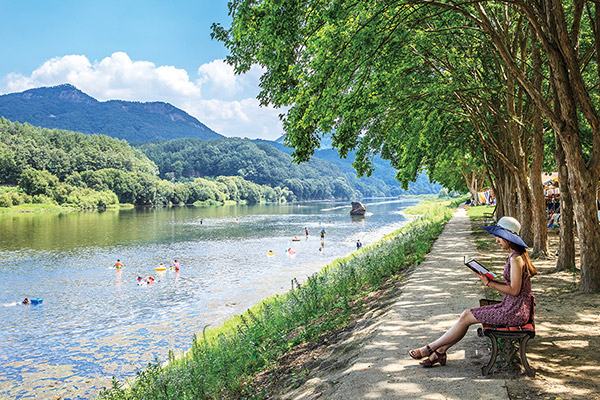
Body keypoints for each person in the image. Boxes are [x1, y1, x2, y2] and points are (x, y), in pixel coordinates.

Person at [409, 216, 536, 367]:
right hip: (511, 306)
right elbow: (514, 286)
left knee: (466, 316)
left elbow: (514, 290)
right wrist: (489, 280)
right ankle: (439, 352)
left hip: (514, 312)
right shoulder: (514, 255)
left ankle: (430, 349)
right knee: (466, 315)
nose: (497, 241)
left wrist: (489, 283)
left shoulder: (516, 259)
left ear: (509, 238)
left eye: (499, 237)